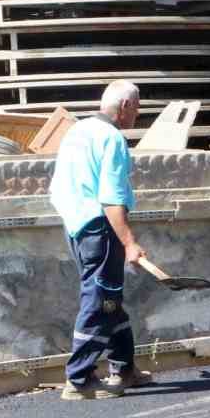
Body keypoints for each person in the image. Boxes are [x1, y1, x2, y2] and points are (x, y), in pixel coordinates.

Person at [49, 81, 152, 400]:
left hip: (77, 227)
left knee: (111, 301)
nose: (137, 113)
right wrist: (129, 242)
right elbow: (110, 199)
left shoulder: (77, 132)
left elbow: (57, 188)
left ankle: (124, 369)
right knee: (100, 301)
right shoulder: (112, 139)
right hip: (100, 229)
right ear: (124, 106)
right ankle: (78, 379)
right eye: (136, 107)